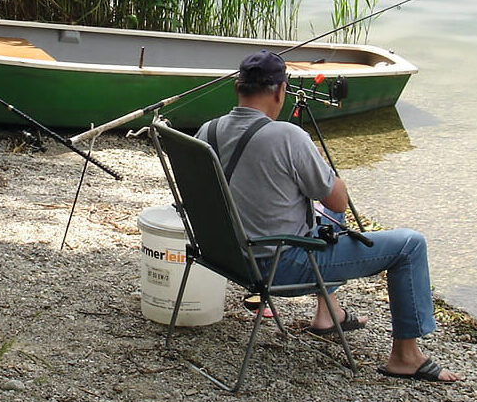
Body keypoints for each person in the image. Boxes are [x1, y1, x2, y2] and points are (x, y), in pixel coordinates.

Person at [195, 50, 460, 382]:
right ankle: (406, 356)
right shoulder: (289, 137)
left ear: (238, 86)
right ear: (280, 91)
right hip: (278, 265)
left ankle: (329, 313)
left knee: (322, 220)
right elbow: (338, 200)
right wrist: (320, 164)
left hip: (226, 256)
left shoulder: (208, 131)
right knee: (410, 244)